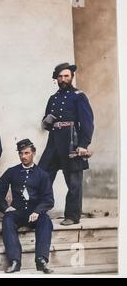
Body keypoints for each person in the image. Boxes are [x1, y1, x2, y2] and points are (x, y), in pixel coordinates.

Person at [38, 63, 94, 226]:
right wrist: (46, 121)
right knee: (42, 177)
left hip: (72, 142)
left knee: (74, 182)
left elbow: (87, 123)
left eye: (66, 76)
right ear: (56, 78)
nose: (63, 79)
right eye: (60, 76)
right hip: (53, 143)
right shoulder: (53, 98)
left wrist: (83, 144)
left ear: (71, 77)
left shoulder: (79, 96)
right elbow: (46, 123)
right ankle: (38, 213)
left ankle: (72, 216)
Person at [0, 139, 54, 273]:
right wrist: (5, 208)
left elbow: (48, 199)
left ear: (33, 153)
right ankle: (15, 261)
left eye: (26, 153)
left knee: (46, 221)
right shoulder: (12, 172)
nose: (23, 156)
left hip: (35, 213)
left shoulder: (42, 175)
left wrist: (38, 211)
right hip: (17, 212)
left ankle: (41, 259)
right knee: (7, 219)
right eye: (21, 153)